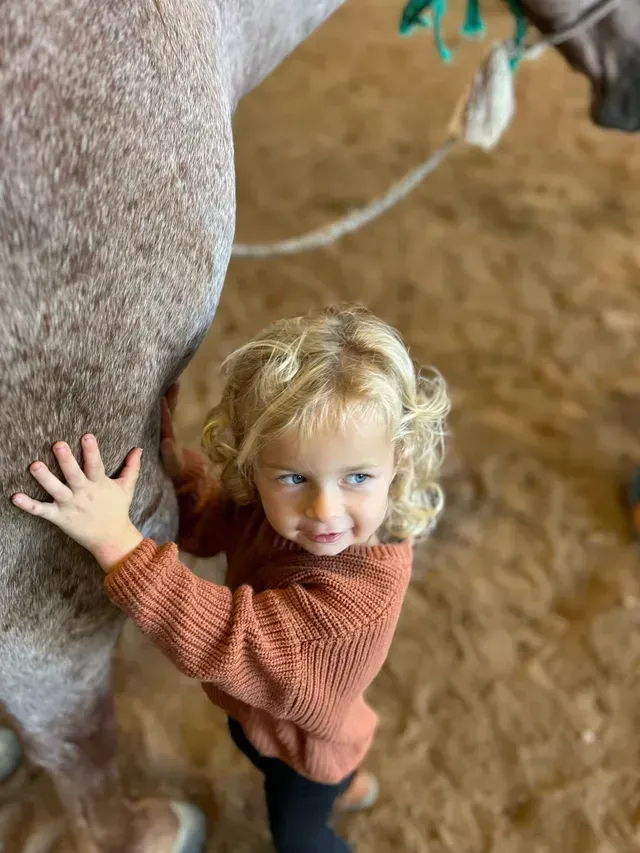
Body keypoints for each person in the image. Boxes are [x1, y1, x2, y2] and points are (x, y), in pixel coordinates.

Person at [12, 304, 450, 853]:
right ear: (251, 465)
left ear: (399, 460)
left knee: (300, 836)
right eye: (294, 477)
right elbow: (219, 515)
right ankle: (348, 782)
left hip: (304, 752)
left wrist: (115, 543)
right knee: (253, 745)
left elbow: (229, 638)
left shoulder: (352, 605)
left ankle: (340, 786)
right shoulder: (287, 517)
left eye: (358, 477)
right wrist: (170, 469)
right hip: (260, 720)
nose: (324, 509)